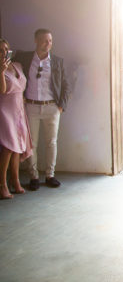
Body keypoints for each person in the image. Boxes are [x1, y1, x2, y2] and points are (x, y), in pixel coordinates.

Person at [14, 29, 70, 191]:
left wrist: (61, 105)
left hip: (52, 107)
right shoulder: (24, 58)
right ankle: (34, 176)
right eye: (45, 40)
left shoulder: (57, 61)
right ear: (36, 41)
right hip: (30, 106)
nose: (48, 44)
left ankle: (50, 175)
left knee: (51, 142)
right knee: (32, 144)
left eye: (50, 40)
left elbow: (66, 85)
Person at [0, 38, 33, 199]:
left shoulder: (17, 65)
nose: (4, 52)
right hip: (5, 111)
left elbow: (22, 86)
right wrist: (0, 71)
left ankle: (15, 180)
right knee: (8, 146)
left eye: (6, 49)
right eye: (0, 50)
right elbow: (3, 90)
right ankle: (2, 185)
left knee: (17, 147)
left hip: (19, 109)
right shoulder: (1, 69)